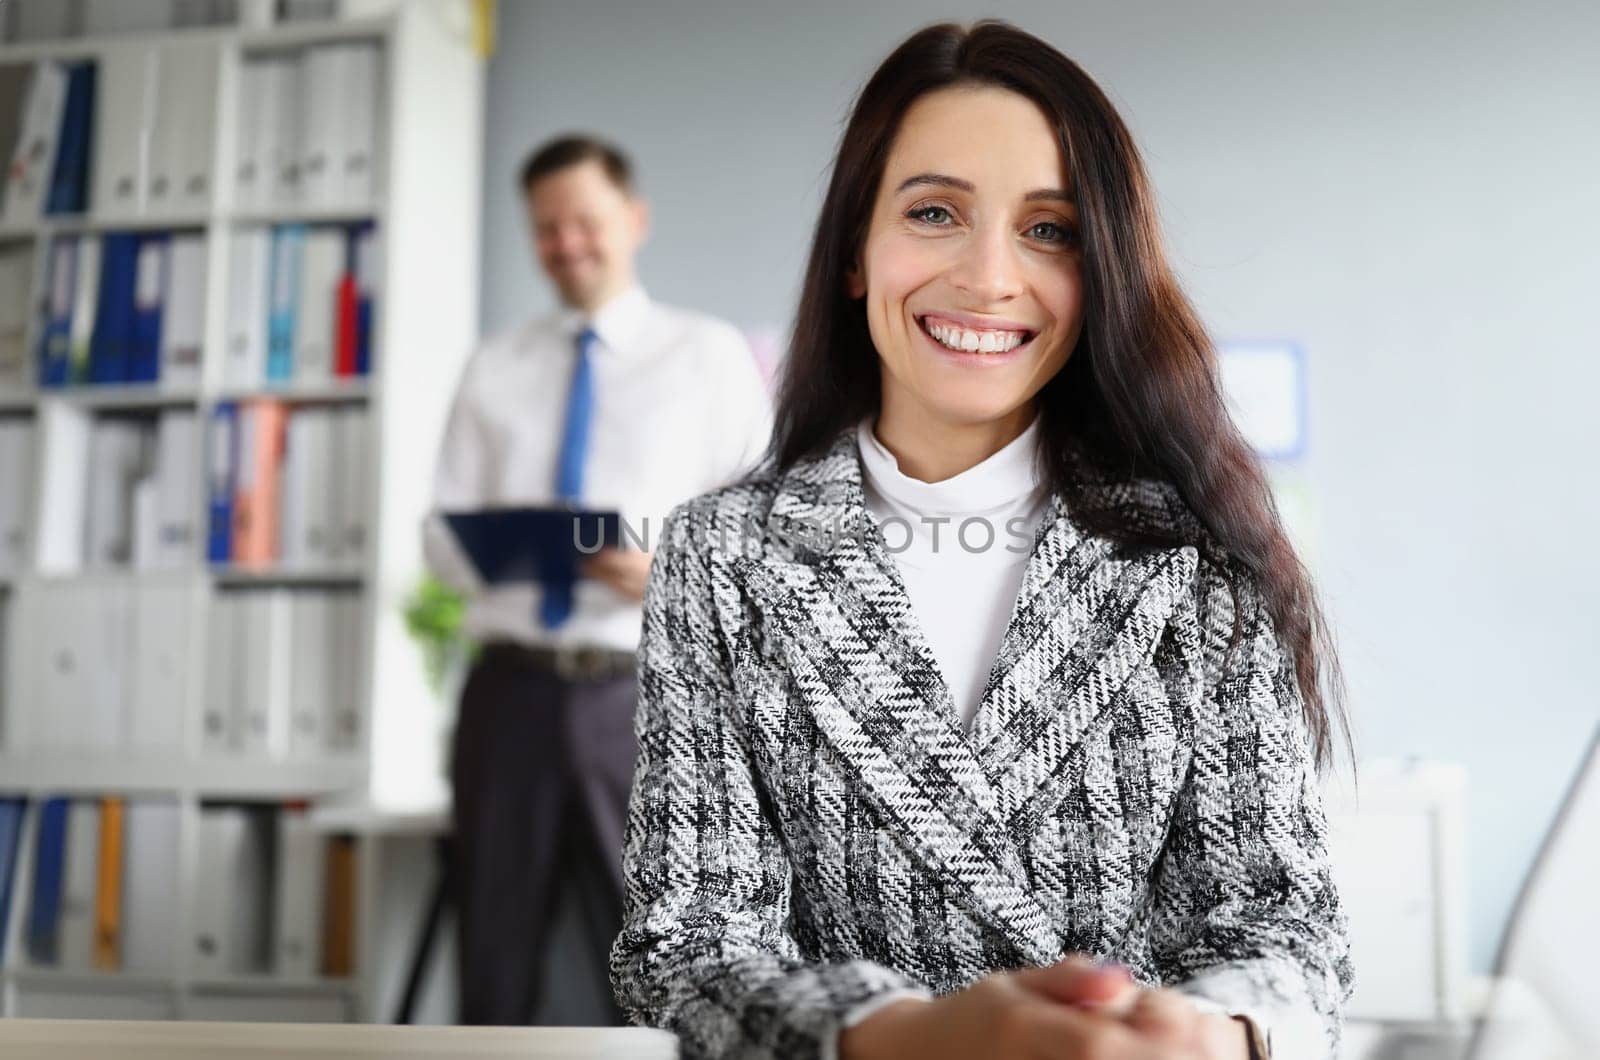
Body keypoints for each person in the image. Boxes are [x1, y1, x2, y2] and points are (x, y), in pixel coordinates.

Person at [611, 19, 1353, 1060]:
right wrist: (899, 1035)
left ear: (1099, 274)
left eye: (1049, 230)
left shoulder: (1194, 557)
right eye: (932, 212)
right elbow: (685, 943)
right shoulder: (721, 555)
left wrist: (1210, 1032)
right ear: (855, 256)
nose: (989, 277)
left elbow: (1285, 929)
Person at [422, 134, 773, 1026]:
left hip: (646, 695)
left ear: (633, 220)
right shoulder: (494, 364)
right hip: (507, 690)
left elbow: (762, 544)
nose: (566, 244)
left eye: (585, 221)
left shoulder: (708, 356)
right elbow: (439, 539)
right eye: (546, 229)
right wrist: (507, 546)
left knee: (663, 956)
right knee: (494, 956)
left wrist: (664, 575)